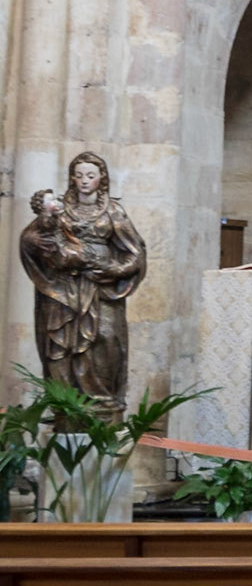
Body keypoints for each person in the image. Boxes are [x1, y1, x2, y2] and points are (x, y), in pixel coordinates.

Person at [18, 151, 147, 415]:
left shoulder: (113, 211)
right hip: (64, 289)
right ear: (72, 179)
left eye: (90, 175)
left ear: (102, 178)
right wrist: (31, 241)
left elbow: (135, 253)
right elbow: (33, 235)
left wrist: (111, 269)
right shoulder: (59, 209)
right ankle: (67, 405)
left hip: (101, 287)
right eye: (78, 176)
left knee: (106, 337)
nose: (84, 181)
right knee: (60, 344)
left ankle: (103, 402)